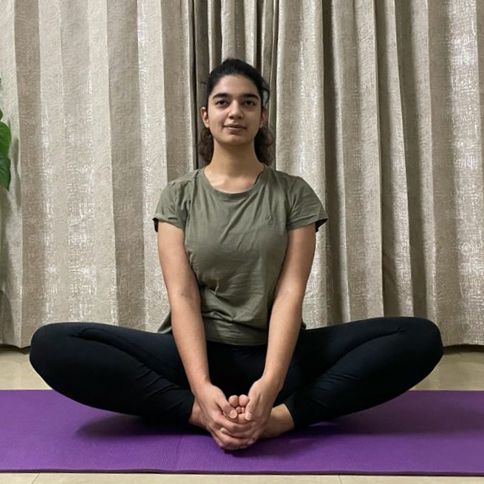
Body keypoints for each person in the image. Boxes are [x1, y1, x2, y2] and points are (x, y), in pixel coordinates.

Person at [29, 58, 443, 452]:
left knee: (419, 338)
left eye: (248, 102)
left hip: (277, 358)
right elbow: (183, 296)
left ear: (262, 116)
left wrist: (271, 384)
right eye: (222, 101)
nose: (235, 112)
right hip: (192, 358)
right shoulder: (179, 195)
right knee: (51, 344)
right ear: (205, 115)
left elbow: (289, 294)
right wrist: (200, 390)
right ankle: (200, 415)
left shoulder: (293, 193)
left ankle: (282, 418)